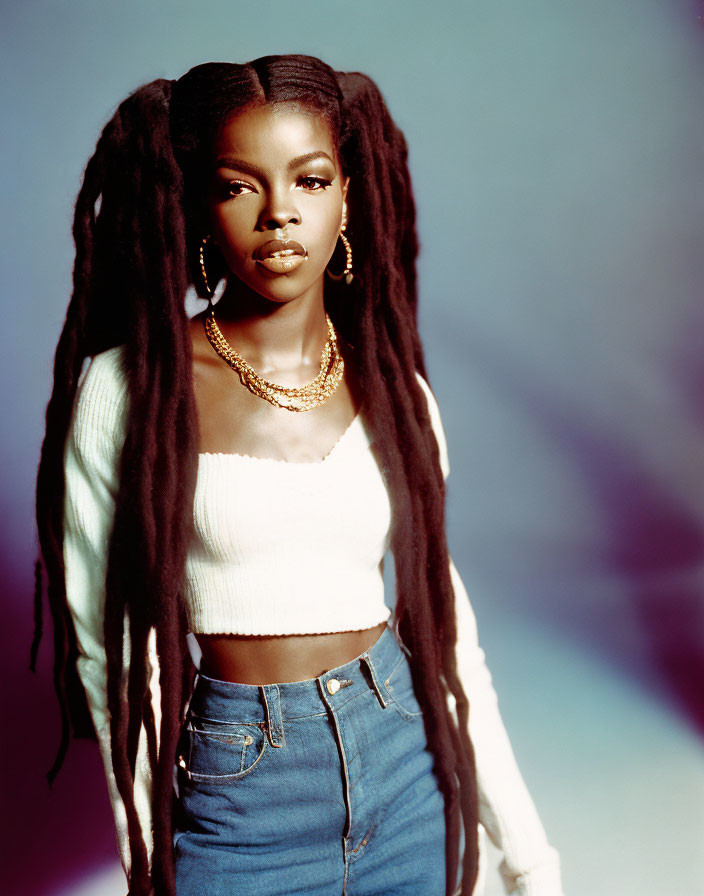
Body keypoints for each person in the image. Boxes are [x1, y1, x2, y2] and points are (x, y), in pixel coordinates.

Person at [32, 55, 563, 896]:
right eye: (240, 186)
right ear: (200, 206)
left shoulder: (395, 389)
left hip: (403, 763)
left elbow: (446, 625)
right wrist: (147, 861)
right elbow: (113, 653)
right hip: (241, 794)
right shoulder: (130, 388)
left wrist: (530, 858)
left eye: (310, 180)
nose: (280, 213)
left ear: (347, 194)